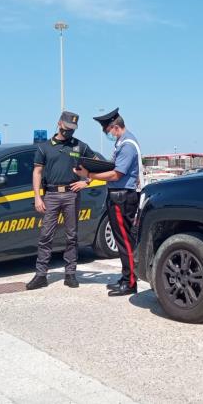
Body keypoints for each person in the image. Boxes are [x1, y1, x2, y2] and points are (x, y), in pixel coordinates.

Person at [76, 107, 143, 297]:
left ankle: (130, 282)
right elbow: (109, 166)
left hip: (123, 197)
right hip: (117, 196)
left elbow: (116, 174)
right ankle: (126, 277)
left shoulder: (127, 145)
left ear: (115, 127)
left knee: (125, 241)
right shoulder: (121, 143)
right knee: (121, 239)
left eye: (107, 131)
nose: (107, 135)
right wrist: (88, 178)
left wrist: (89, 174)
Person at [26, 110, 97, 290]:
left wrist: (86, 181)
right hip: (50, 195)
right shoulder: (44, 147)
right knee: (45, 235)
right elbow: (37, 172)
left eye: (72, 130)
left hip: (71, 194)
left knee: (71, 235)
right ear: (59, 124)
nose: (69, 133)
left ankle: (70, 273)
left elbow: (97, 164)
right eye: (66, 129)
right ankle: (41, 274)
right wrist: (37, 196)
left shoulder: (79, 146)